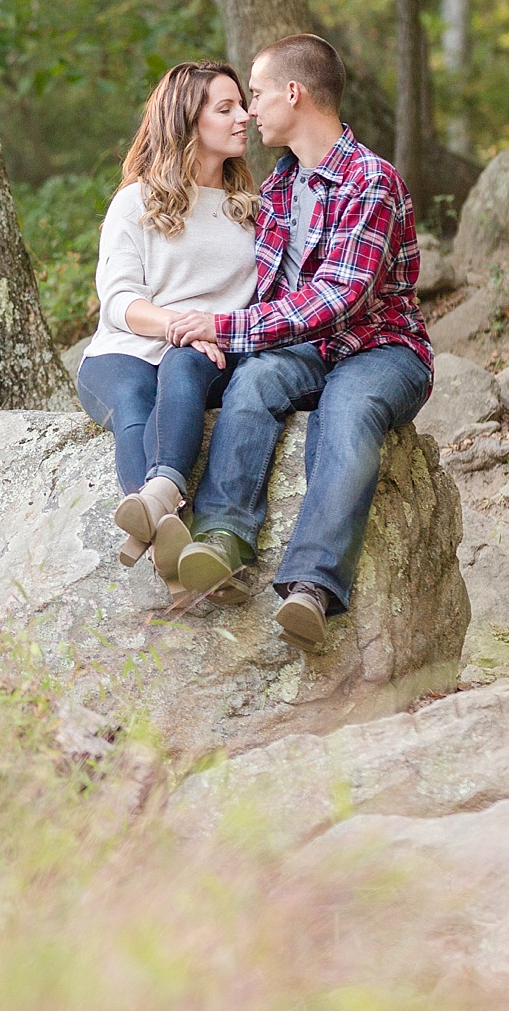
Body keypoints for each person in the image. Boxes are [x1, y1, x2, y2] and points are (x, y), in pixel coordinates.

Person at [162, 33, 433, 653]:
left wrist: (225, 328)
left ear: (294, 93)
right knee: (255, 381)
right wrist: (218, 343)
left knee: (347, 410)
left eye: (255, 95)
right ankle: (222, 541)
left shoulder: (371, 180)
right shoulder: (280, 187)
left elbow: (340, 297)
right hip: (310, 349)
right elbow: (266, 293)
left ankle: (312, 584)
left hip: (382, 349)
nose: (250, 110)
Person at [74, 61, 259, 581]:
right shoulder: (136, 201)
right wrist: (179, 322)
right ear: (186, 122)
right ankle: (174, 533)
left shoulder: (250, 211)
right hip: (124, 352)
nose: (244, 117)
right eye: (225, 109)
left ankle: (154, 517)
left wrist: (204, 332)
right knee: (134, 403)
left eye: (241, 105)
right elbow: (118, 301)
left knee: (182, 366)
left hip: (208, 356)